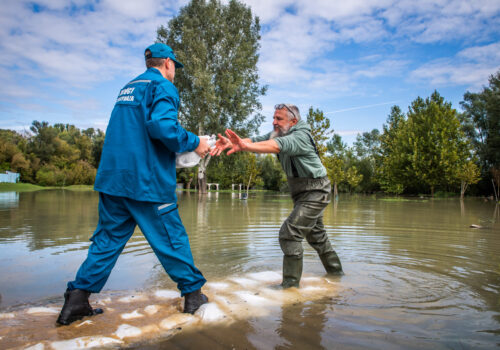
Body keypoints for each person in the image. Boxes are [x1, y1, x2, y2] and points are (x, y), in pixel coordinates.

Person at [56, 43, 210, 326]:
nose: (175, 71)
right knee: (170, 238)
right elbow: (163, 128)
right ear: (167, 64)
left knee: (107, 241)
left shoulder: (127, 88)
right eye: (175, 66)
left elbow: (137, 134)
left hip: (113, 180)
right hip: (146, 182)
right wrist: (196, 142)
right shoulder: (162, 86)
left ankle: (77, 299)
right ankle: (193, 295)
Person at [211, 104, 343, 288]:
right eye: (273, 118)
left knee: (289, 234)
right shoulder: (279, 133)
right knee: (317, 237)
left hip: (316, 191)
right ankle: (337, 275)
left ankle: (290, 288)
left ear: (293, 122)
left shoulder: (300, 136)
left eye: (279, 119)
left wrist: (245, 146)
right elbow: (258, 139)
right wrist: (235, 143)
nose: (274, 122)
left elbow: (276, 146)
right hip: (302, 192)